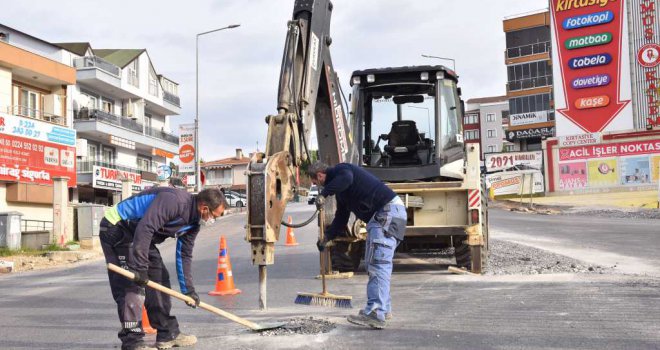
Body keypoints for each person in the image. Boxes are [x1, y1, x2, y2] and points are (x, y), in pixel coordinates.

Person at [100, 187, 227, 350]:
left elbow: (184, 255)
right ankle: (132, 341)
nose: (213, 220)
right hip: (117, 227)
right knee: (132, 285)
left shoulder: (194, 223)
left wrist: (188, 290)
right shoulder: (174, 201)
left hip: (140, 235)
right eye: (214, 216)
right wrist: (139, 268)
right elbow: (146, 227)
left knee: (159, 279)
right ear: (204, 208)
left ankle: (167, 333)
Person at [308, 161, 406, 329]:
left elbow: (346, 178)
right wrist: (327, 237)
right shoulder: (342, 192)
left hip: (386, 213)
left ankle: (376, 312)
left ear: (320, 175)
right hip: (384, 216)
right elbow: (341, 217)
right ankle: (383, 309)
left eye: (316, 183)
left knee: (378, 264)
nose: (317, 186)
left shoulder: (342, 170)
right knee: (374, 264)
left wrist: (324, 194)